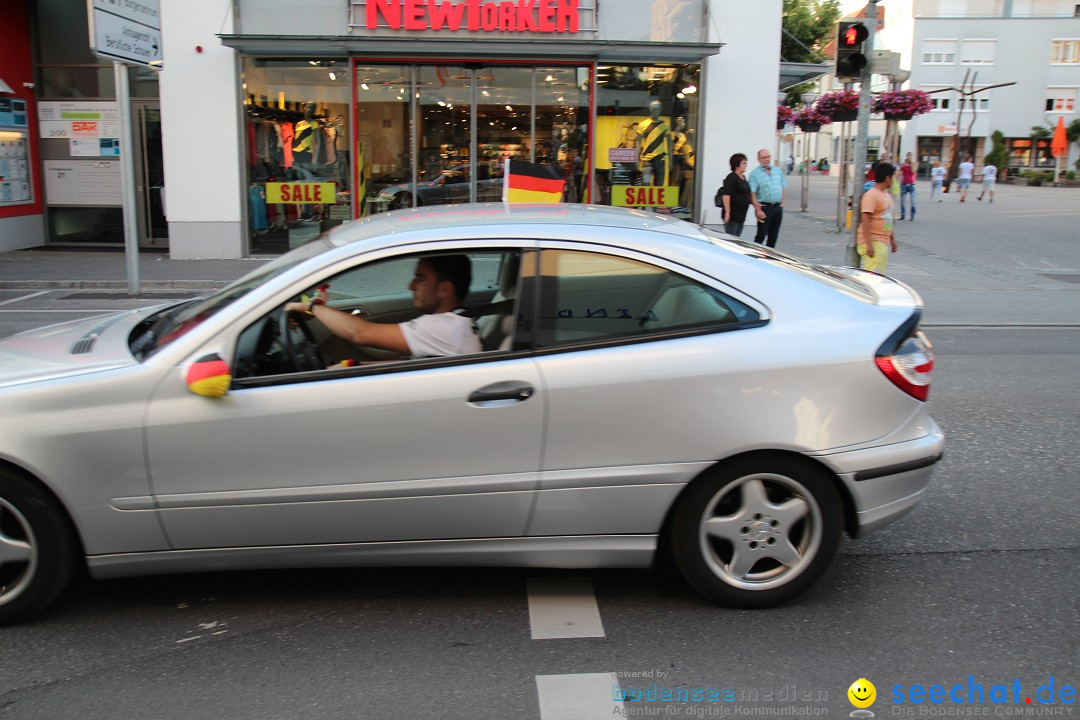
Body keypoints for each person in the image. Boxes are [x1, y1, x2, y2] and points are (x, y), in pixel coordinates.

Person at [285, 254, 482, 360]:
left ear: (444, 289)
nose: (410, 286)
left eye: (420, 279)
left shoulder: (446, 328)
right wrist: (352, 366)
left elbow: (359, 333)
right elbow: (412, 365)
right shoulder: (455, 323)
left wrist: (310, 306)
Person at [858, 163, 899, 274]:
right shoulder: (872, 195)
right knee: (872, 276)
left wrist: (892, 239)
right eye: (893, 177)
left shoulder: (886, 195)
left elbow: (888, 219)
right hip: (874, 240)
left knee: (879, 275)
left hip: (883, 240)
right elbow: (865, 219)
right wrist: (869, 244)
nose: (894, 180)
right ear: (887, 178)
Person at [748, 148, 788, 248]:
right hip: (765, 208)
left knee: (773, 237)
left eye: (768, 156)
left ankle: (769, 260)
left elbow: (783, 186)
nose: (767, 159)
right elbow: (752, 193)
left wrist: (782, 204)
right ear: (759, 159)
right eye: (764, 157)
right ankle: (755, 257)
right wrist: (757, 210)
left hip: (777, 207)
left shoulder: (777, 171)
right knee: (761, 236)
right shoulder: (755, 174)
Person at [636, 100, 672, 187]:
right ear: (650, 109)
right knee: (645, 185)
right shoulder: (642, 125)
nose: (655, 111)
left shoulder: (665, 125)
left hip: (660, 159)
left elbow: (670, 144)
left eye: (657, 109)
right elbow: (638, 142)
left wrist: (671, 161)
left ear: (660, 110)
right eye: (653, 109)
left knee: (659, 186)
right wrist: (637, 159)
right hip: (647, 159)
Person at [720, 153, 752, 238]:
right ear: (737, 165)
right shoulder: (731, 178)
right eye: (744, 163)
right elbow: (726, 195)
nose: (746, 165)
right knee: (732, 238)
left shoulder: (743, 177)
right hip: (733, 216)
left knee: (737, 238)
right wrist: (727, 212)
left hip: (741, 215)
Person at [899, 152, 917, 221]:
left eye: (910, 156)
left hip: (912, 185)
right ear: (906, 156)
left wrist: (911, 163)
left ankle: (912, 215)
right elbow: (899, 172)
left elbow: (913, 171)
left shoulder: (914, 163)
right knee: (903, 201)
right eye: (908, 156)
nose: (909, 157)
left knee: (913, 202)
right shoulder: (903, 164)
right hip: (904, 184)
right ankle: (902, 215)